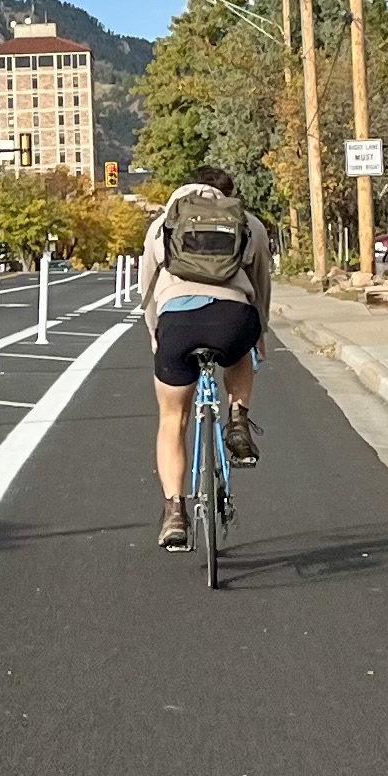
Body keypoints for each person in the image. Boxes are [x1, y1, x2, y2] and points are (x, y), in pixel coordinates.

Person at [137, 166, 273, 551]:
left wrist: (156, 334)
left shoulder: (162, 224)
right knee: (241, 349)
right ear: (229, 194)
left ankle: (175, 514)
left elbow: (147, 290)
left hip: (177, 323)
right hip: (233, 319)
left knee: (171, 420)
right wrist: (258, 335)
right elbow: (260, 288)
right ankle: (237, 418)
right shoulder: (248, 223)